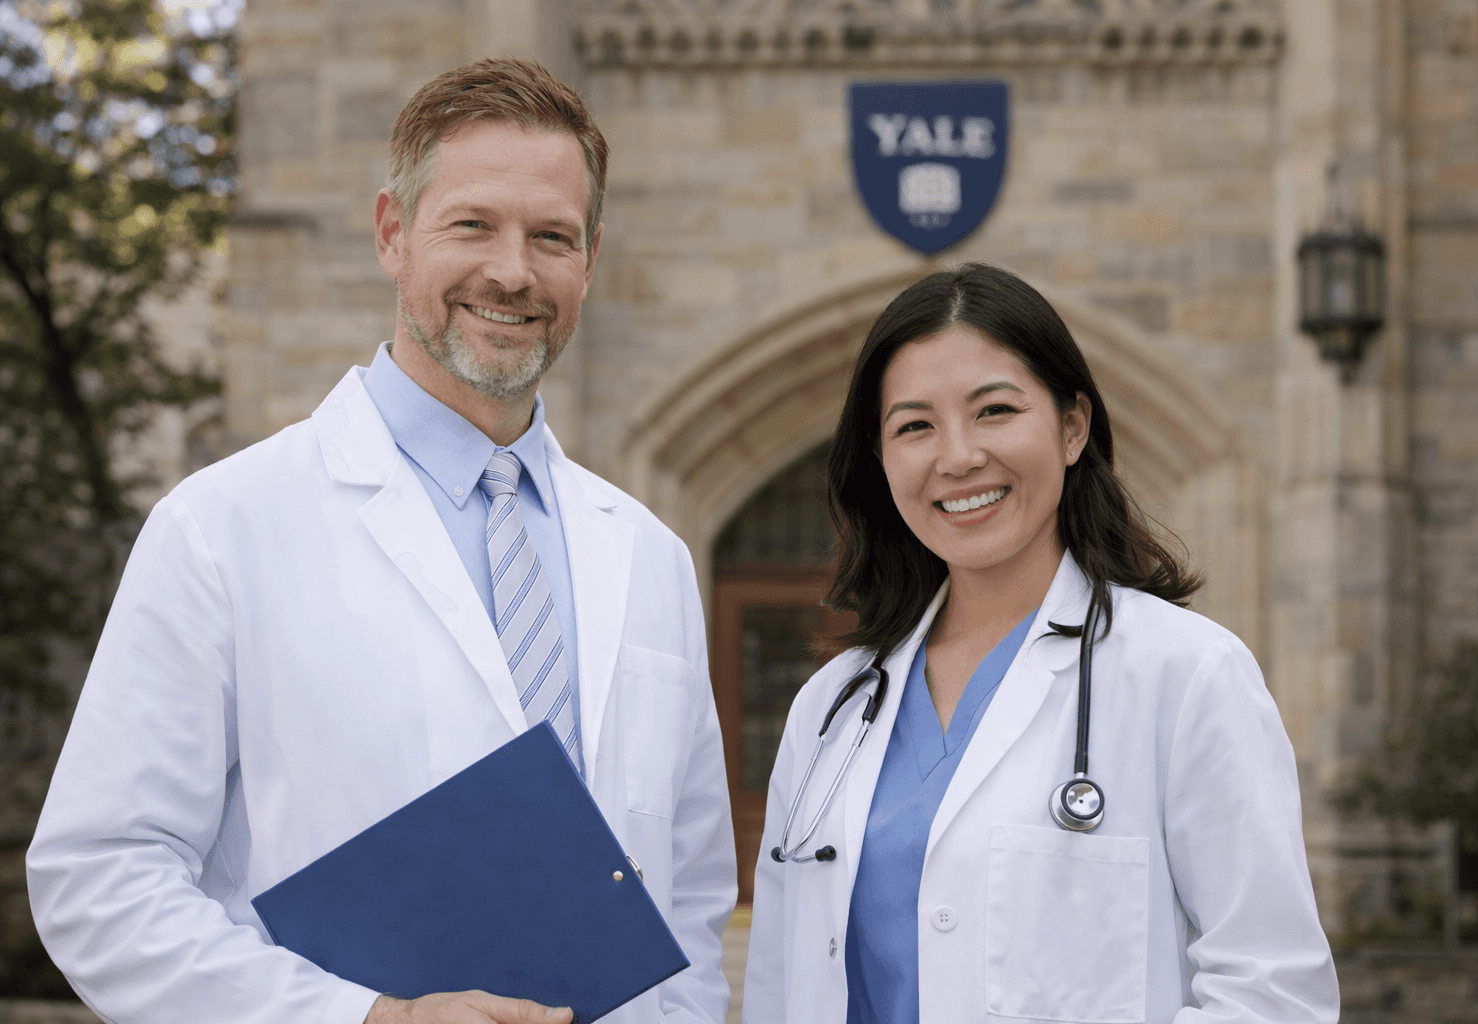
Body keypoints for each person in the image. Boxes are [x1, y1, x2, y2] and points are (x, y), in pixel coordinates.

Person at [28, 58, 735, 1024]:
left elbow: (690, 899)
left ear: (590, 260)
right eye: (473, 225)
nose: (512, 271)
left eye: (552, 237)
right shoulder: (222, 528)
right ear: (393, 234)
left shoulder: (649, 556)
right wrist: (369, 1020)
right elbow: (97, 877)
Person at [743, 264, 1338, 1023]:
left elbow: (1273, 993)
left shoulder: (1186, 675)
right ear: (882, 459)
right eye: (914, 425)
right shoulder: (831, 708)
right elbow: (777, 991)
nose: (957, 457)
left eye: (994, 410)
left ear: (1072, 427)